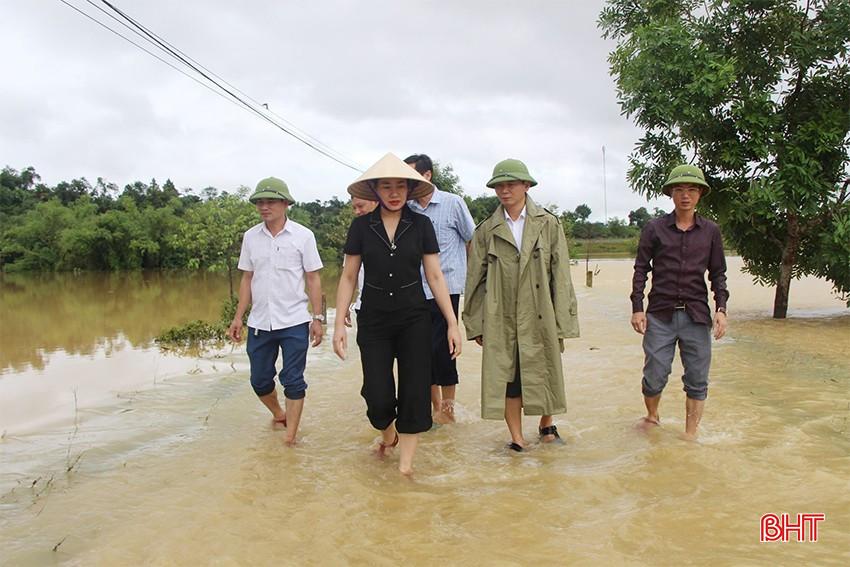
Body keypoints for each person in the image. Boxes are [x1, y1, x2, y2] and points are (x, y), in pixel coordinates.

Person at [333, 153, 462, 475]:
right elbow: (349, 276)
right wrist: (337, 322)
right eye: (386, 187)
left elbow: (434, 276)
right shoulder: (361, 227)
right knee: (377, 396)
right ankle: (387, 433)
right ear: (375, 191)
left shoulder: (421, 225)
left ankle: (405, 468)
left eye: (400, 186)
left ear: (409, 189)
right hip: (374, 320)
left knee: (415, 390)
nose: (393, 193)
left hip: (414, 318)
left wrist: (452, 323)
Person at [463, 159, 579, 451]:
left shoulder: (548, 223)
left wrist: (563, 321)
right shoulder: (487, 230)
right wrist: (475, 323)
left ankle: (546, 424)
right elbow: (475, 280)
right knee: (507, 375)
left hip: (540, 309)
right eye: (499, 185)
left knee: (545, 366)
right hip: (500, 313)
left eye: (511, 184)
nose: (504, 191)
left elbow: (561, 275)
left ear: (526, 186)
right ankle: (516, 438)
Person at [630, 164, 729, 439]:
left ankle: (690, 434)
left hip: (696, 315)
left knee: (697, 378)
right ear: (671, 195)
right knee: (654, 374)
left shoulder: (711, 232)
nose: (685, 195)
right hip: (660, 314)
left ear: (700, 195)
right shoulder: (654, 228)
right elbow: (641, 268)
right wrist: (638, 307)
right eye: (679, 190)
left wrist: (721, 309)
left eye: (692, 190)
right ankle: (652, 415)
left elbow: (718, 273)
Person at [227, 177, 324, 446]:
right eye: (260, 202)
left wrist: (317, 318)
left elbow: (313, 278)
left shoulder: (303, 236)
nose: (264, 206)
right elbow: (247, 278)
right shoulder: (250, 237)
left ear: (285, 203)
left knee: (293, 380)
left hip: (294, 320)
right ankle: (279, 413)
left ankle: (290, 438)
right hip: (260, 322)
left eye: (270, 201)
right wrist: (238, 317)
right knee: (259, 380)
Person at [404, 154, 476, 423]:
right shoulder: (407, 209)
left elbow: (472, 241)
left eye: (413, 176)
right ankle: (434, 409)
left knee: (444, 349)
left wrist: (475, 280)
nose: (409, 184)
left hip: (447, 288)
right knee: (420, 351)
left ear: (427, 175)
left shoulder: (452, 203)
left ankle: (448, 412)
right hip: (414, 289)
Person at [343, 196, 378, 328]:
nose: (357, 212)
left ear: (375, 201)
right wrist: (344, 306)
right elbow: (348, 276)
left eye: (361, 206)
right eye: (354, 208)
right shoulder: (357, 231)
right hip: (364, 306)